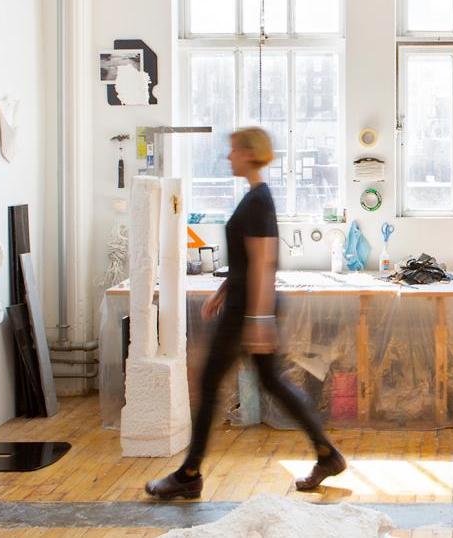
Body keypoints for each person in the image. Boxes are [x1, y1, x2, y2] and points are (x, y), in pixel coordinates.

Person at [146, 127, 345, 499]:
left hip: (246, 315)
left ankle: (189, 473)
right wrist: (222, 291)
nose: (228, 156)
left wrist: (258, 321)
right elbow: (246, 262)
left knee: (208, 384)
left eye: (234, 150)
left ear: (251, 153)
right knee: (272, 384)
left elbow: (263, 261)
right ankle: (327, 453)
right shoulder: (255, 198)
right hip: (242, 307)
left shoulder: (258, 201)